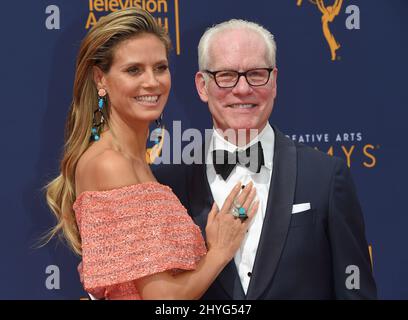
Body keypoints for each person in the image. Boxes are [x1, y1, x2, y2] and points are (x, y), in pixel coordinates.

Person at [154, 19, 377, 299]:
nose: (243, 89)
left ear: (274, 81)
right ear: (202, 86)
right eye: (226, 75)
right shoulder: (166, 187)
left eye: (256, 74)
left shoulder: (325, 177)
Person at [44, 8, 259, 300]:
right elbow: (163, 299)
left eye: (160, 67)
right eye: (134, 70)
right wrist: (220, 251)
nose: (152, 82)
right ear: (100, 79)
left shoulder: (133, 163)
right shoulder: (110, 164)